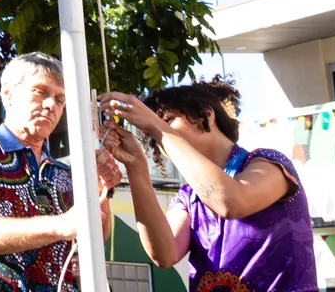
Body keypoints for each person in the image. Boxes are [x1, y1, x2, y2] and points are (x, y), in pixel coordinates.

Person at [100, 79, 318, 292]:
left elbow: (230, 201)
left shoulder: (269, 162)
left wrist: (157, 126)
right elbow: (164, 254)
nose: (158, 135)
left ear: (206, 115)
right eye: (153, 134)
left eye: (168, 120)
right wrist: (136, 166)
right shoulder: (187, 196)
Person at [0, 53, 122, 292]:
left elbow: (96, 238)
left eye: (59, 99)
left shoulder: (65, 173)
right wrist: (59, 225)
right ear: (8, 94)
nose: (51, 105)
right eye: (40, 92)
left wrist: (101, 193)